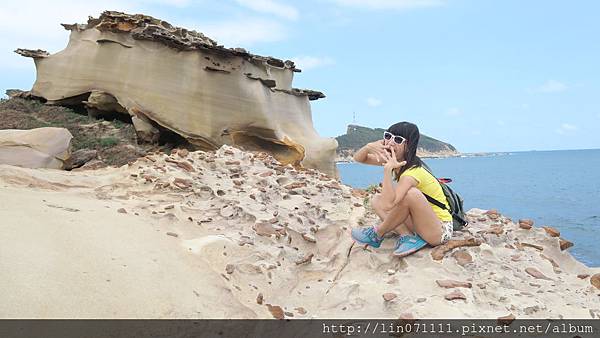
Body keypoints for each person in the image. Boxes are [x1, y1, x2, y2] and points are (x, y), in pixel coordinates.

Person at [350, 121, 453, 257]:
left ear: (409, 146)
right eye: (388, 136)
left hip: (439, 231)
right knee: (377, 199)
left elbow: (389, 204)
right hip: (421, 223)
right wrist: (368, 147)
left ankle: (377, 234)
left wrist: (387, 170)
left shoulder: (412, 172)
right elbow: (359, 158)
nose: (391, 143)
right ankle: (407, 236)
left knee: (411, 194)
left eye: (398, 140)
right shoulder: (396, 161)